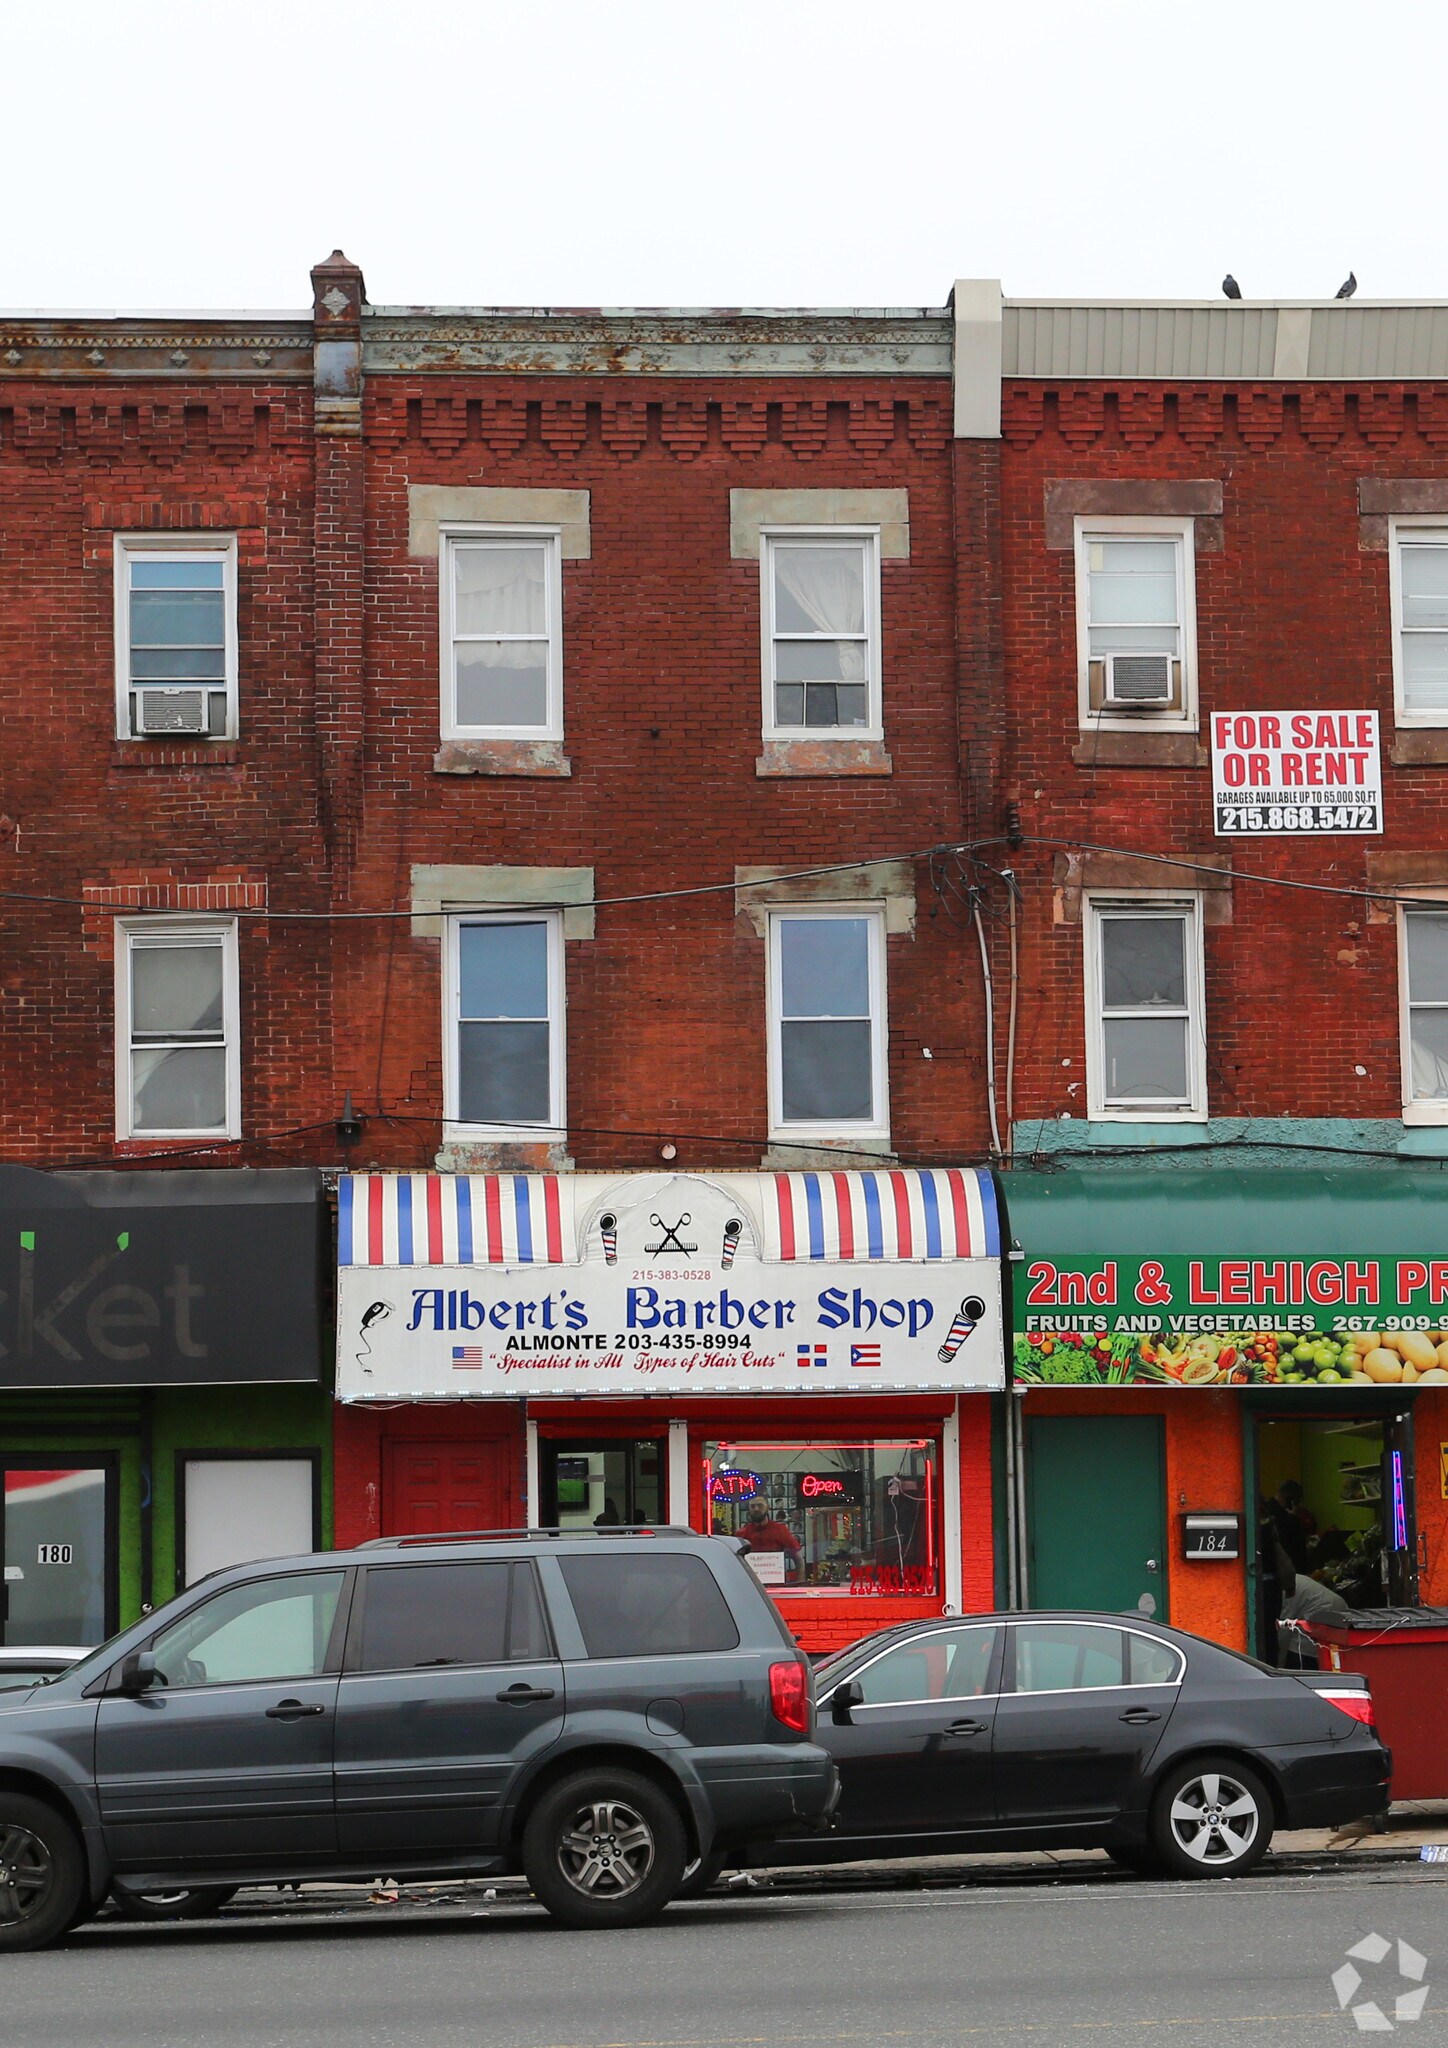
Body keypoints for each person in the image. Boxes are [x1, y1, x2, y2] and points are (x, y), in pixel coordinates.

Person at [739, 1498, 801, 1576]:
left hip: (778, 1585)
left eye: (760, 1506)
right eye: (752, 1506)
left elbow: (798, 1560)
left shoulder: (780, 1530)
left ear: (768, 1508)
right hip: (751, 1584)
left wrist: (799, 1585)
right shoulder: (742, 1534)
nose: (756, 1509)